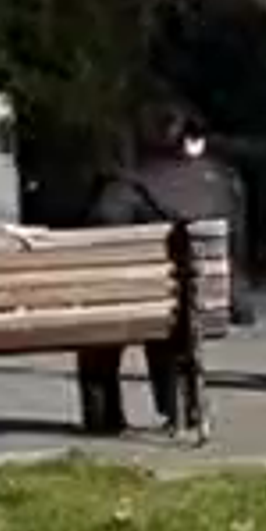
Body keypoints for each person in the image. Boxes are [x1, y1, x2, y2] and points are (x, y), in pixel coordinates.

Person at [76, 107, 243, 443]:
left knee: (105, 329)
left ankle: (103, 415)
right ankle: (179, 409)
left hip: (135, 301)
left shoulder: (127, 187)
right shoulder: (223, 183)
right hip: (200, 306)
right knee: (172, 323)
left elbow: (103, 227)